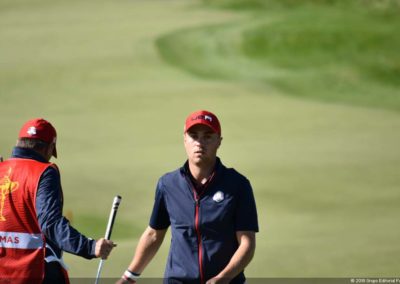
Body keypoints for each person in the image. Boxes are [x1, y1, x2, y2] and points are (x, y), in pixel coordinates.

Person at [117, 110, 259, 284]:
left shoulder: (237, 185)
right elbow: (154, 234)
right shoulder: (168, 184)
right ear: (185, 139)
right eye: (193, 136)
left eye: (207, 136)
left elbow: (247, 243)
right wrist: (129, 277)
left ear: (219, 141)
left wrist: (223, 278)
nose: (199, 143)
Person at [0, 118, 116, 284]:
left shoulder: (2, 168)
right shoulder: (44, 172)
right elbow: (51, 223)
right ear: (49, 147)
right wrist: (89, 247)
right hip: (32, 272)